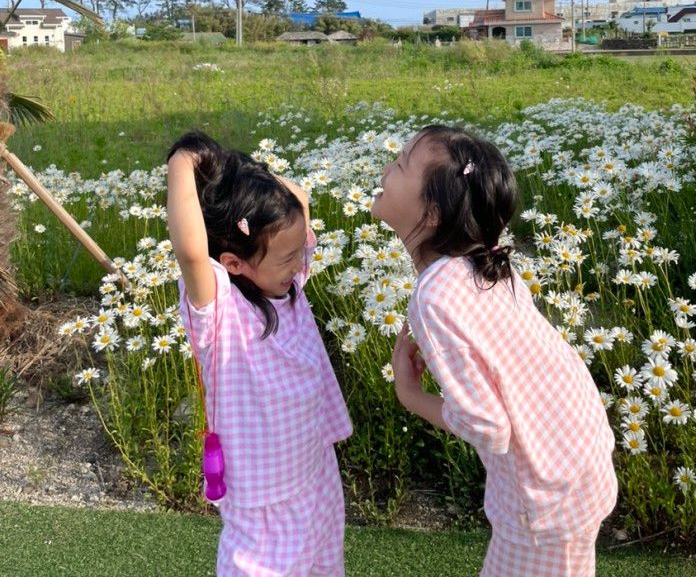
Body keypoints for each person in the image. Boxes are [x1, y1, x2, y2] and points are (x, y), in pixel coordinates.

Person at [372, 124, 617, 577]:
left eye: (401, 164)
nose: (387, 168)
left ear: (430, 214)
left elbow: (488, 426)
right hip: (578, 459)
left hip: (543, 492)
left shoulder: (435, 296)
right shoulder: (484, 266)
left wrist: (409, 394)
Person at [167, 131, 352, 577]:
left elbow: (298, 198)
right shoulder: (219, 311)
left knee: (324, 566)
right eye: (289, 258)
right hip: (261, 496)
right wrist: (183, 160)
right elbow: (192, 250)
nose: (301, 262)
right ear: (232, 263)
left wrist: (234, 167)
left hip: (316, 475)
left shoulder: (288, 285)